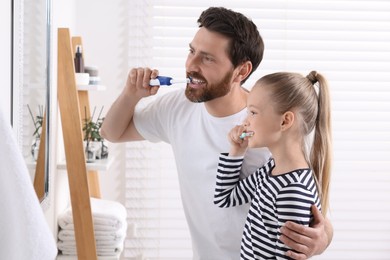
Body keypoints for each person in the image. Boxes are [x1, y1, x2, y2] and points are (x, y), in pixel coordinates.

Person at [101, 7, 333, 259]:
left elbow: (310, 209)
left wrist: (322, 238)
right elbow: (112, 132)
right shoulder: (176, 107)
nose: (191, 65)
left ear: (241, 71)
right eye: (192, 51)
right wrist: (131, 94)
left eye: (208, 58)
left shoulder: (270, 127)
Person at [214, 71, 332, 259]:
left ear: (285, 121)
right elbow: (225, 198)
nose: (245, 122)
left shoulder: (292, 191)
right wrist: (236, 151)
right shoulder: (272, 170)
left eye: (253, 112)